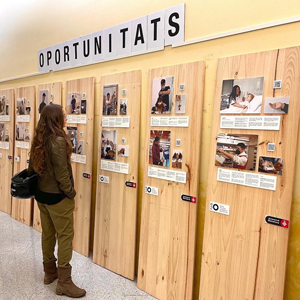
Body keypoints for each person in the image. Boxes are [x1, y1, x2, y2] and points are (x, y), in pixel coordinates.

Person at [28, 104, 86, 298]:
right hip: (57, 197)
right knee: (65, 236)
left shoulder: (40, 137)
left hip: (42, 195)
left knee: (48, 234)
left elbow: (33, 168)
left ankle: (49, 273)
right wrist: (70, 192)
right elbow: (62, 173)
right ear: (56, 118)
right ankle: (64, 282)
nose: (65, 116)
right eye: (63, 115)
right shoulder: (58, 140)